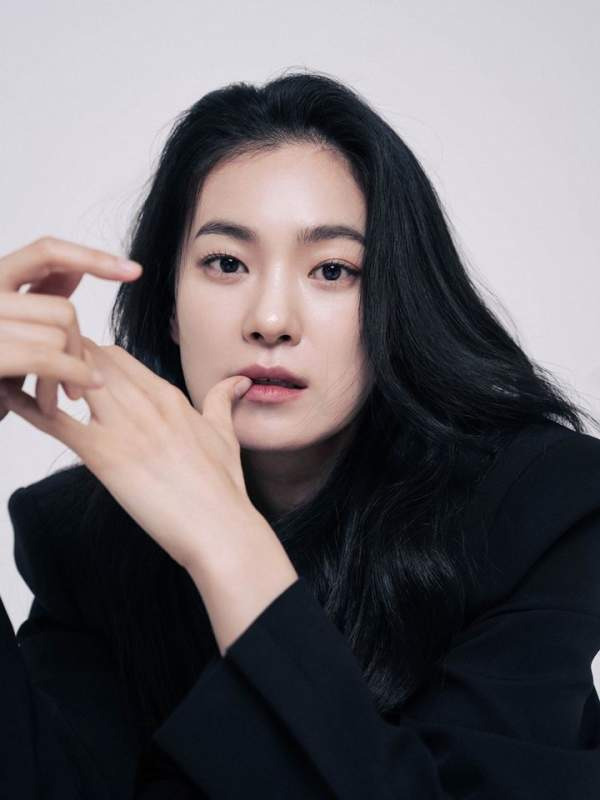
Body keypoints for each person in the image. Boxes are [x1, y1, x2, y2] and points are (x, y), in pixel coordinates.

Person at [1, 69, 600, 799]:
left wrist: (227, 545)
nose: (271, 320)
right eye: (226, 263)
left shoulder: (535, 508)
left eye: (333, 270)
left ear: (393, 303)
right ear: (169, 307)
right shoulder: (84, 535)